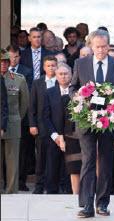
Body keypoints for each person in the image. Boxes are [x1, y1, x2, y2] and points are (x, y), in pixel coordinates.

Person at [70, 29, 114, 218]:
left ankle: (102, 203)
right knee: (87, 160)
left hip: (108, 121)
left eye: (104, 46)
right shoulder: (81, 63)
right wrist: (77, 97)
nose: (101, 50)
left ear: (109, 46)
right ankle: (86, 204)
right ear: (91, 46)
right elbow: (72, 87)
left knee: (105, 161)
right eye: (97, 47)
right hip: (86, 121)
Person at [44, 64, 81, 194]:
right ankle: (51, 191)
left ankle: (69, 191)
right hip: (54, 136)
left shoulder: (77, 93)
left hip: (72, 137)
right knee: (52, 165)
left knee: (70, 167)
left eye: (66, 74)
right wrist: (55, 136)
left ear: (71, 75)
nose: (63, 76)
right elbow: (45, 116)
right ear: (56, 75)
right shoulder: (49, 93)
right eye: (60, 74)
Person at [1, 49, 29, 194]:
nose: (3, 64)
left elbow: (24, 103)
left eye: (6, 61)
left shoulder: (18, 79)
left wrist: (16, 117)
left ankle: (11, 189)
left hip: (12, 122)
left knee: (12, 160)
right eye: (1, 62)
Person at [29, 55, 57, 194]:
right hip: (40, 127)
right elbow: (32, 105)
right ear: (44, 67)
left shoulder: (60, 82)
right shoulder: (37, 83)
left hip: (56, 128)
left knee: (53, 158)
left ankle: (52, 186)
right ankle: (39, 186)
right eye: (48, 65)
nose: (51, 68)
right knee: (40, 157)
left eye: (53, 65)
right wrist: (32, 124)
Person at [7, 44, 32, 191]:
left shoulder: (26, 72)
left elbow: (25, 97)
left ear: (19, 57)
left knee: (21, 152)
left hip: (20, 118)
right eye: (10, 57)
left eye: (16, 56)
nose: (13, 60)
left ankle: (20, 181)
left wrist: (20, 116)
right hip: (5, 117)